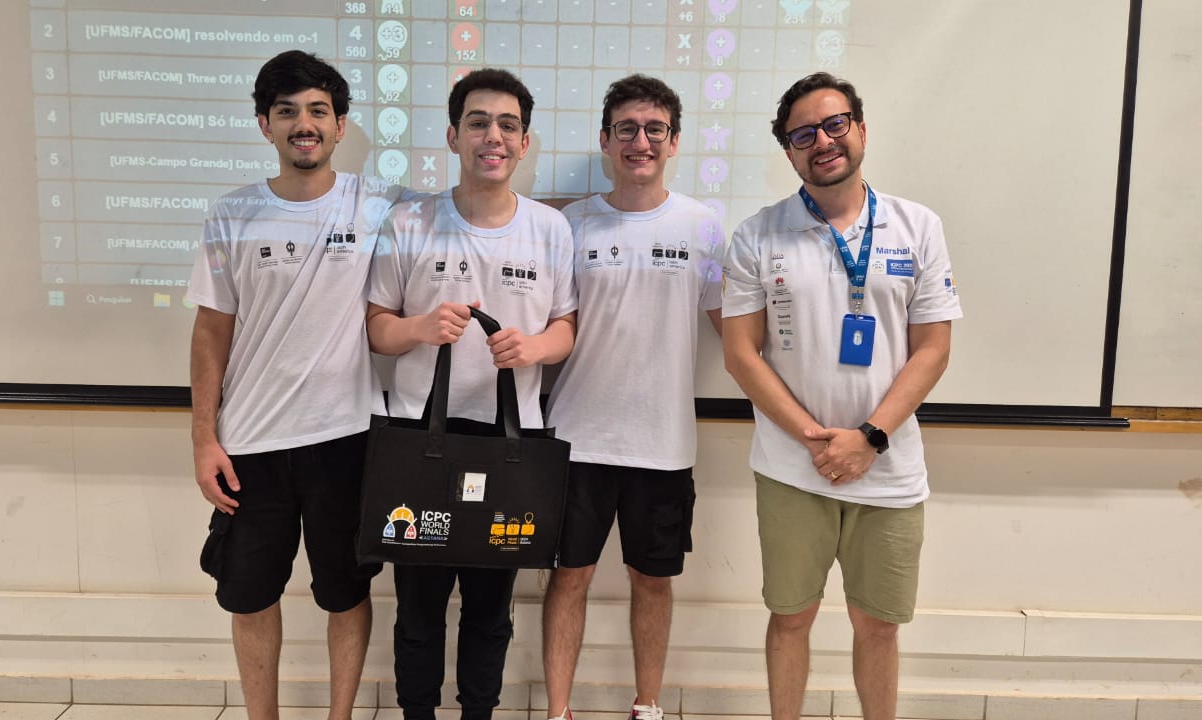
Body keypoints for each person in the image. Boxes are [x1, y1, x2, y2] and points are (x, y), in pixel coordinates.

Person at [720, 72, 962, 720]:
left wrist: (869, 438)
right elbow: (740, 353)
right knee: (790, 617)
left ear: (860, 129)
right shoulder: (757, 234)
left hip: (889, 467)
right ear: (789, 151)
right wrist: (816, 440)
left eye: (834, 124)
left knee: (878, 625)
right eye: (803, 135)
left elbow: (933, 349)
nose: (823, 141)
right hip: (791, 467)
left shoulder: (917, 226)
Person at [187, 50, 411, 720]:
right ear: (266, 125)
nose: (303, 124)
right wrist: (203, 438)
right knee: (249, 595)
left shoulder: (379, 204)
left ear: (340, 125)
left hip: (347, 438)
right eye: (287, 111)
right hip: (251, 444)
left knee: (346, 591)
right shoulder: (231, 214)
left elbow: (473, 208)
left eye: (318, 110)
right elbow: (211, 332)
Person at [365, 68, 578, 720]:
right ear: (453, 135)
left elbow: (566, 328)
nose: (493, 136)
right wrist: (420, 328)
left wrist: (534, 348)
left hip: (509, 444)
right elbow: (377, 328)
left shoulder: (550, 229)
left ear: (525, 142)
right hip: (419, 441)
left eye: (508, 125)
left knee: (490, 610)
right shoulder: (409, 221)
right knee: (418, 609)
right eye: (478, 122)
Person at [540, 74, 724, 720]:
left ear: (674, 142)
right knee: (569, 577)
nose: (640, 141)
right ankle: (558, 712)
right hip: (576, 440)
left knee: (653, 580)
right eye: (626, 129)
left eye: (654, 129)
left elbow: (734, 332)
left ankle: (647, 707)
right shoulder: (569, 224)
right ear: (605, 139)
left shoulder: (703, 228)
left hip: (663, 445)